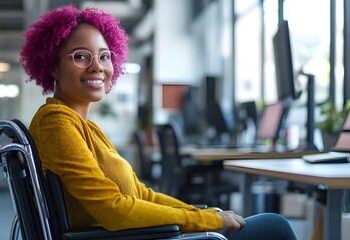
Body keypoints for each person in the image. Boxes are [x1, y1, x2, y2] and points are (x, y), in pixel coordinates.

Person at [20, 5, 297, 240]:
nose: (97, 66)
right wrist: (206, 222)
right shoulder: (57, 123)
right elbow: (112, 210)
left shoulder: (82, 126)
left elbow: (142, 194)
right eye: (81, 56)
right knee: (275, 226)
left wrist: (198, 214)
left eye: (104, 56)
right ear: (53, 66)